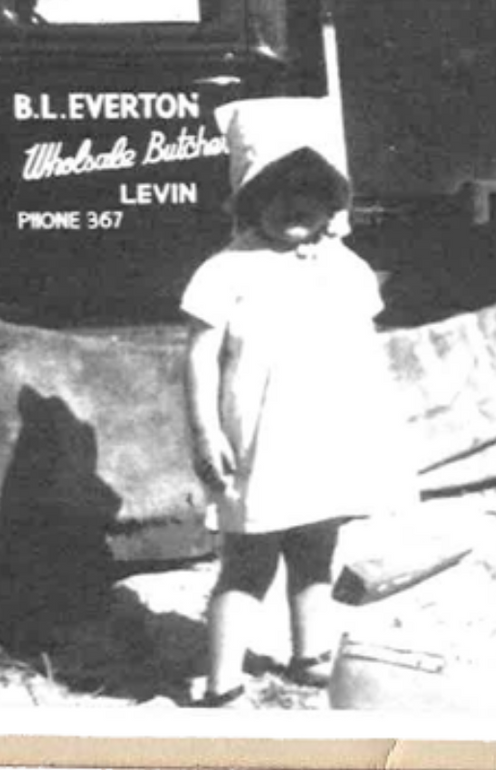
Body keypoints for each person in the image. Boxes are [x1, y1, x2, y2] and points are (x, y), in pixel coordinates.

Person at [182, 97, 413, 709]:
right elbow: (201, 356)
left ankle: (310, 654)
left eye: (312, 189)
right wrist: (205, 430)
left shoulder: (348, 269)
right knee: (248, 561)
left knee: (317, 552)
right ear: (247, 197)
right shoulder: (226, 271)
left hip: (326, 440)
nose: (295, 202)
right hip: (259, 443)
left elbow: (363, 355)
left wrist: (372, 433)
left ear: (335, 203)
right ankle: (222, 678)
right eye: (276, 188)